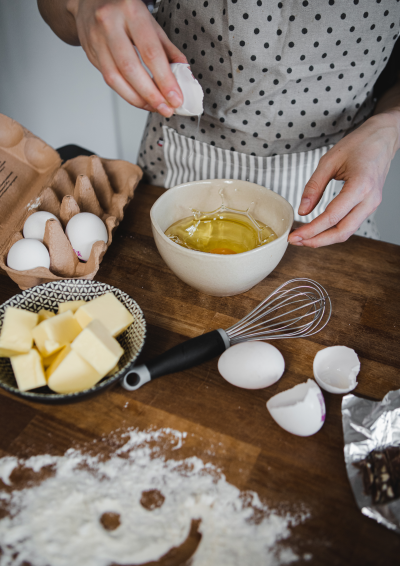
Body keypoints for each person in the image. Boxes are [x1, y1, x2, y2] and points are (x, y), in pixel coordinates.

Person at [38, 0, 400, 248]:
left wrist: (390, 125)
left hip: (336, 196)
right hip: (174, 169)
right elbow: (52, 11)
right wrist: (81, 5)